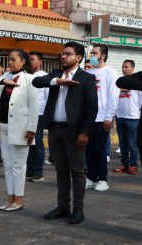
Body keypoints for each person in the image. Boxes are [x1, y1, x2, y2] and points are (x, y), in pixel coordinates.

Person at [33, 42, 98, 224]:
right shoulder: (55, 74)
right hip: (55, 129)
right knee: (60, 170)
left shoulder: (86, 78)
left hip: (74, 131)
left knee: (76, 171)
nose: (63, 57)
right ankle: (63, 207)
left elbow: (92, 107)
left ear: (78, 57)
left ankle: (78, 209)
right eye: (62, 54)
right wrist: (57, 81)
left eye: (68, 54)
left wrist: (85, 131)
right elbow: (36, 81)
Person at [0, 49, 38, 211]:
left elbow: (34, 106)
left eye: (14, 59)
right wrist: (2, 82)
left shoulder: (29, 79)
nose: (10, 62)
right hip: (3, 126)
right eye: (9, 60)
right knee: (7, 164)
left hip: (21, 128)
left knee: (18, 165)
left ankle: (19, 199)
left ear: (23, 61)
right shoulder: (5, 77)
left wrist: (32, 129)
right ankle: (10, 198)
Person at [85, 44, 119, 191]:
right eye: (91, 53)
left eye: (94, 53)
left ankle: (102, 180)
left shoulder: (110, 72)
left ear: (103, 56)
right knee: (88, 150)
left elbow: (113, 95)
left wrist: (109, 116)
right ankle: (91, 178)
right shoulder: (87, 73)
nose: (92, 55)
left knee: (99, 150)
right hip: (88, 118)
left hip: (101, 117)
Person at [113, 60, 141, 175]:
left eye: (126, 67)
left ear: (132, 68)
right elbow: (115, 100)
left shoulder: (137, 82)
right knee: (123, 143)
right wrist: (115, 115)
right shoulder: (120, 82)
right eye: (123, 67)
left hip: (133, 117)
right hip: (120, 117)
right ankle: (124, 164)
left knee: (132, 143)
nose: (124, 69)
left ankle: (133, 165)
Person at [26, 51, 49, 182]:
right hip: (27, 114)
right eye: (29, 59)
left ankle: (39, 172)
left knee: (38, 143)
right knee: (29, 143)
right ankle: (29, 169)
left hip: (39, 113)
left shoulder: (44, 76)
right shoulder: (27, 76)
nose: (30, 62)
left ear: (40, 62)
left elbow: (48, 96)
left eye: (33, 59)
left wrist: (46, 115)